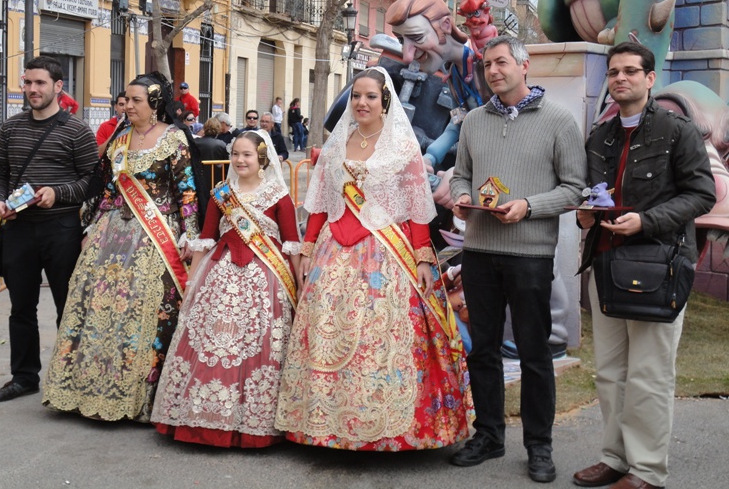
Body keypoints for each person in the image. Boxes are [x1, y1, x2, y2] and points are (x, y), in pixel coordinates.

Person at [275, 67, 471, 451]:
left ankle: (382, 426)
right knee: (328, 329)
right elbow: (320, 203)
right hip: (333, 248)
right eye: (356, 96)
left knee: (380, 333)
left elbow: (416, 207)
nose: (362, 103)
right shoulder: (337, 144)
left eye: (370, 96)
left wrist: (423, 258)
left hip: (385, 251)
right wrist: (307, 247)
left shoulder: (402, 146)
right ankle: (325, 423)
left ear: (385, 101)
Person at [572, 43, 715, 489]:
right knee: (610, 372)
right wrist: (585, 215)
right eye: (614, 71)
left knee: (649, 375)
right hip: (605, 263)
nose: (620, 78)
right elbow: (593, 193)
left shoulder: (677, 131)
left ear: (650, 79)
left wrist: (646, 221)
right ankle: (615, 458)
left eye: (630, 71)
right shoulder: (600, 136)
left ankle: (647, 470)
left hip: (659, 266)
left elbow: (702, 194)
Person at [448, 36, 586, 482]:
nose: (493, 71)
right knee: (483, 351)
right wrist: (461, 197)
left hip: (530, 254)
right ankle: (488, 435)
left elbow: (574, 188)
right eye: (487, 64)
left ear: (524, 66)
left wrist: (529, 206)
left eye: (502, 62)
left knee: (533, 353)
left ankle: (539, 446)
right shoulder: (473, 121)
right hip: (479, 251)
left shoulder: (559, 121)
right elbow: (461, 175)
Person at [42, 72, 201, 422]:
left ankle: (140, 397)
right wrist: (93, 226)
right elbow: (110, 190)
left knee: (145, 307)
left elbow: (186, 191)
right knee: (99, 306)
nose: (127, 106)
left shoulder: (173, 139)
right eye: (126, 100)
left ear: (154, 103)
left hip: (156, 234)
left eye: (135, 100)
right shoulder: (120, 139)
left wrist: (190, 234)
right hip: (112, 232)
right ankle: (90, 389)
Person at [152, 130, 300, 447]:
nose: (239, 160)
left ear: (262, 158)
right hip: (219, 275)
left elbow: (292, 246)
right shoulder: (221, 194)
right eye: (235, 154)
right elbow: (206, 239)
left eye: (247, 155)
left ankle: (254, 422)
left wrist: (300, 288)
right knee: (211, 342)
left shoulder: (278, 196)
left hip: (266, 280)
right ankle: (203, 417)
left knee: (258, 345)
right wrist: (192, 281)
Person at [0, 56, 98, 403]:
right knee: (21, 307)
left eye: (40, 83)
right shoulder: (11, 128)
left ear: (58, 86)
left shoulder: (77, 130)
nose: (32, 89)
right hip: (18, 228)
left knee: (68, 306)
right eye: (28, 82)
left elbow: (93, 181)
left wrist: (57, 193)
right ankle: (24, 378)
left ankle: (70, 380)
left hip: (61, 228)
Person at [386, 0, 482, 174]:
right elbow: (458, 120)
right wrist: (430, 157)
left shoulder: (485, 67)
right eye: (402, 41)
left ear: (446, 25)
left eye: (417, 37)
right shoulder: (454, 75)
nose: (407, 56)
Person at [198, 118, 231, 185]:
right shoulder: (222, 144)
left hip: (199, 177)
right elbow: (227, 165)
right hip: (218, 179)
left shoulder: (195, 142)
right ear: (218, 129)